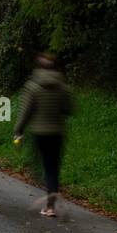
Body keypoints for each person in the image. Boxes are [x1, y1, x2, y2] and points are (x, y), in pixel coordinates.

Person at [13, 53, 73, 217]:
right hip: (57, 132)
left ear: (39, 67)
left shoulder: (32, 86)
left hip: (40, 133)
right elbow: (69, 109)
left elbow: (25, 112)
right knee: (53, 167)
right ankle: (51, 202)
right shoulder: (62, 86)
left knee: (41, 166)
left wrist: (18, 130)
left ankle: (48, 197)